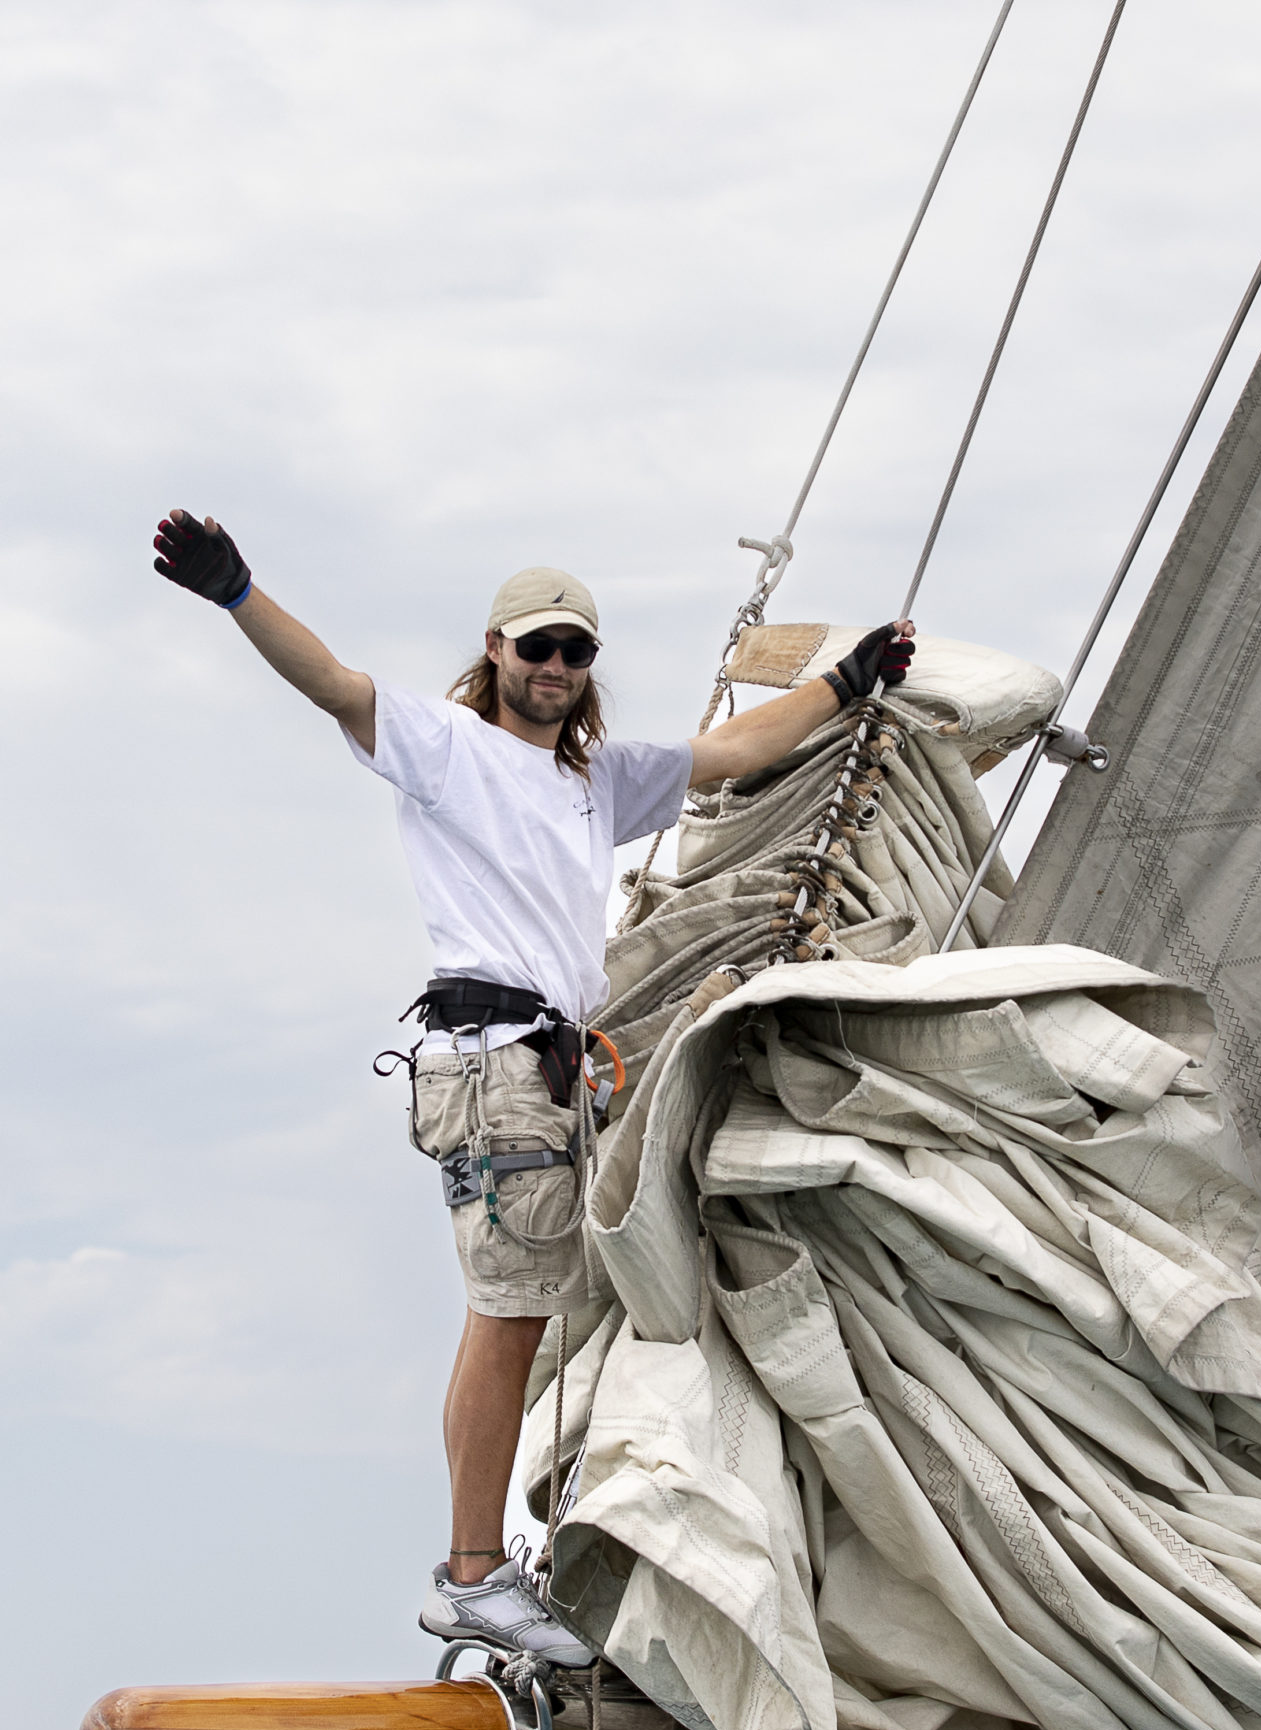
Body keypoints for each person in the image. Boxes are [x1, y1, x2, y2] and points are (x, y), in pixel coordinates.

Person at [152, 508, 913, 1666]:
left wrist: (848, 684)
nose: (555, 667)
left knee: (529, 1307)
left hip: (555, 1069)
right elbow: (333, 683)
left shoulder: (599, 780)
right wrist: (237, 589)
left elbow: (737, 753)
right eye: (536, 646)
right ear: (496, 650)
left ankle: (529, 1552)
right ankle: (469, 1576)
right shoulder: (445, 745)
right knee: (506, 1315)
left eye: (576, 651)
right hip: (493, 1062)